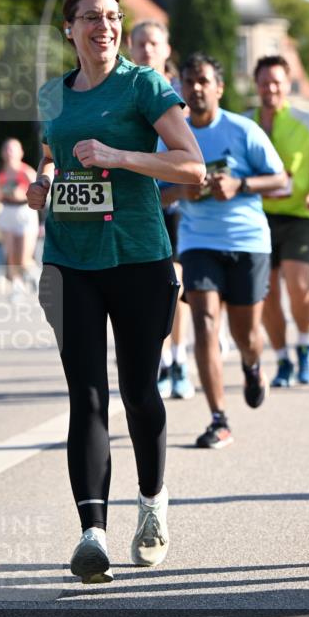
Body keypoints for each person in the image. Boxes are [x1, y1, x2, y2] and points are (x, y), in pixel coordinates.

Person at [27, 0, 205, 583]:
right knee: (87, 395)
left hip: (137, 257)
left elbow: (193, 166)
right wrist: (42, 186)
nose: (103, 27)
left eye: (111, 17)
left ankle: (151, 505)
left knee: (138, 391)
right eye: (91, 17)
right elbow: (52, 157)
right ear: (69, 30)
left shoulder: (146, 86)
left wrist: (121, 157)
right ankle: (92, 534)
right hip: (69, 260)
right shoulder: (54, 95)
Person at [161, 53, 286, 449]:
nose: (195, 88)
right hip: (198, 242)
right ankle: (218, 418)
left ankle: (252, 366)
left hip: (247, 241)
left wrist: (240, 185)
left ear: (219, 87)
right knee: (204, 324)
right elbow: (152, 190)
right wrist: (182, 190)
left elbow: (282, 181)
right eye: (188, 81)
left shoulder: (242, 130)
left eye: (203, 81)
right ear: (179, 89)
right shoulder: (170, 136)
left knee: (246, 333)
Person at [250, 55, 309, 386]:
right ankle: (282, 359)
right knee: (268, 293)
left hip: (299, 213)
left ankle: (304, 345)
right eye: (264, 82)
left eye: (276, 82)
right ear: (256, 85)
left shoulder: (308, 121)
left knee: (300, 286)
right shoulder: (246, 123)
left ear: (287, 85)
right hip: (257, 217)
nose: (270, 88)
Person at [128, 20, 195, 400]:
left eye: (154, 43)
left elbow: (190, 155)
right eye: (140, 44)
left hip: (172, 202)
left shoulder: (177, 94)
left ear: (167, 49)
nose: (147, 50)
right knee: (140, 290)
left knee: (173, 281)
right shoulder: (122, 89)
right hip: (132, 203)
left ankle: (178, 359)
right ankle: (153, 359)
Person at [0, 138, 40, 294]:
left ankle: (36, 275)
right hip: (7, 212)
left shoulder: (27, 172)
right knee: (11, 257)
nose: (10, 153)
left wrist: (21, 195)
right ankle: (17, 288)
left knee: (24, 259)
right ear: (2, 153)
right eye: (7, 149)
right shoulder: (2, 174)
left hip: (25, 212)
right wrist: (3, 194)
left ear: (21, 153)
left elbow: (41, 197)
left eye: (13, 149)